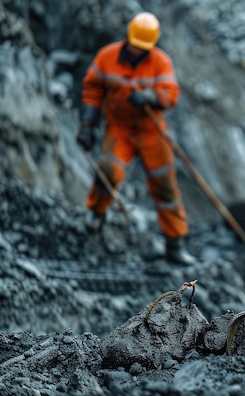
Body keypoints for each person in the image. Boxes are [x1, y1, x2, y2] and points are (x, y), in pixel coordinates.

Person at [76, 12, 195, 265]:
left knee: (165, 187)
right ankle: (95, 215)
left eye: (143, 48)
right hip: (119, 129)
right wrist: (88, 124)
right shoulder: (107, 57)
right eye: (135, 46)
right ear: (127, 37)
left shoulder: (160, 62)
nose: (138, 51)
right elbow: (93, 88)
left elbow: (171, 93)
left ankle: (175, 245)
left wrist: (151, 97)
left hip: (152, 132)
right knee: (108, 171)